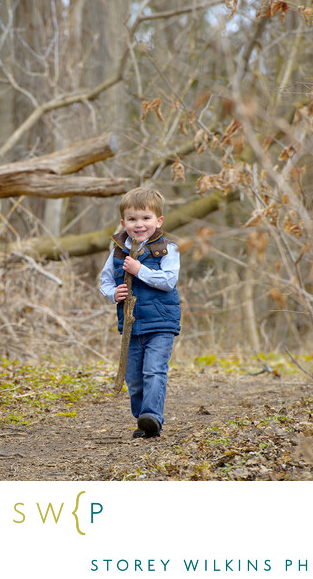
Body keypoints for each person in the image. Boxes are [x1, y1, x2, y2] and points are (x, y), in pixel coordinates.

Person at [99, 186, 181, 439]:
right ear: (124, 222)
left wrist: (138, 270)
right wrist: (114, 294)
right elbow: (104, 282)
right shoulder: (117, 250)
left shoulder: (168, 249)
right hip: (132, 324)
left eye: (146, 218)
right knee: (134, 378)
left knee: (154, 370)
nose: (139, 224)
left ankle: (152, 416)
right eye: (133, 219)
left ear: (159, 221)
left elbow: (168, 280)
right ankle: (143, 420)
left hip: (161, 323)